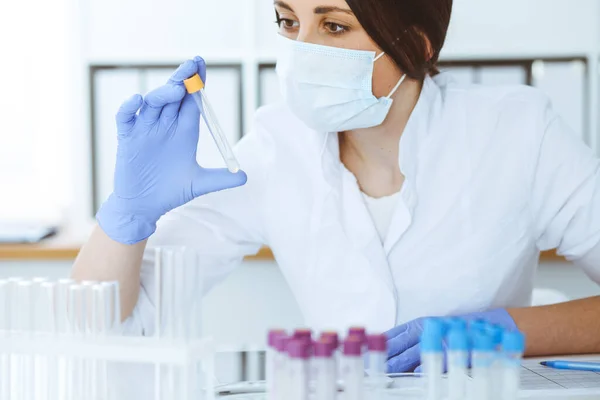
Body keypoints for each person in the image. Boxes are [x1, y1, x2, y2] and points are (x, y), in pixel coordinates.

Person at [71, 0, 600, 372]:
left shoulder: (518, 130)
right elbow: (107, 327)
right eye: (288, 21)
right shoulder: (277, 148)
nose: (300, 51)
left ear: (414, 44)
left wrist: (508, 331)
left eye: (334, 27)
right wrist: (127, 214)